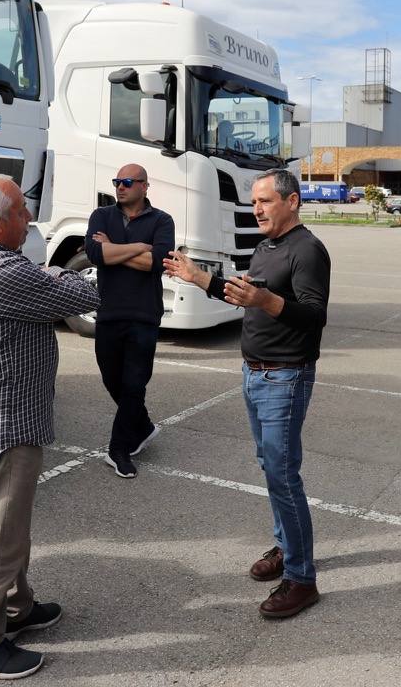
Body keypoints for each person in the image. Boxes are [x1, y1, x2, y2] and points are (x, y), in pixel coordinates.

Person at [0, 174, 100, 680]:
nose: (30, 218)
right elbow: (80, 295)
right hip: (1, 423)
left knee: (7, 527)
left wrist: (47, 276)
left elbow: (45, 281)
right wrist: (54, 278)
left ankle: (16, 610)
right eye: (20, 212)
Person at [164, 168, 330, 620]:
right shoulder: (266, 247)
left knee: (282, 474)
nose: (256, 209)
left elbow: (314, 317)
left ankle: (301, 578)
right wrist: (198, 278)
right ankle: (286, 543)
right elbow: (246, 296)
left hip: (285, 377)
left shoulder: (308, 250)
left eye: (265, 202)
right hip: (255, 374)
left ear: (292, 201)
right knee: (270, 467)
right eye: (254, 202)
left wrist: (267, 303)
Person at [83, 163, 175, 479]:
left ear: (144, 186)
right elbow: (95, 254)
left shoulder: (162, 220)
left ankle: (118, 449)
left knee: (135, 384)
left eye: (127, 182)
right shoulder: (101, 215)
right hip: (108, 312)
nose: (120, 187)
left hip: (144, 315)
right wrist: (138, 247)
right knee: (113, 381)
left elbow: (157, 262)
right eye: (117, 181)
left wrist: (114, 248)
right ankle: (144, 426)